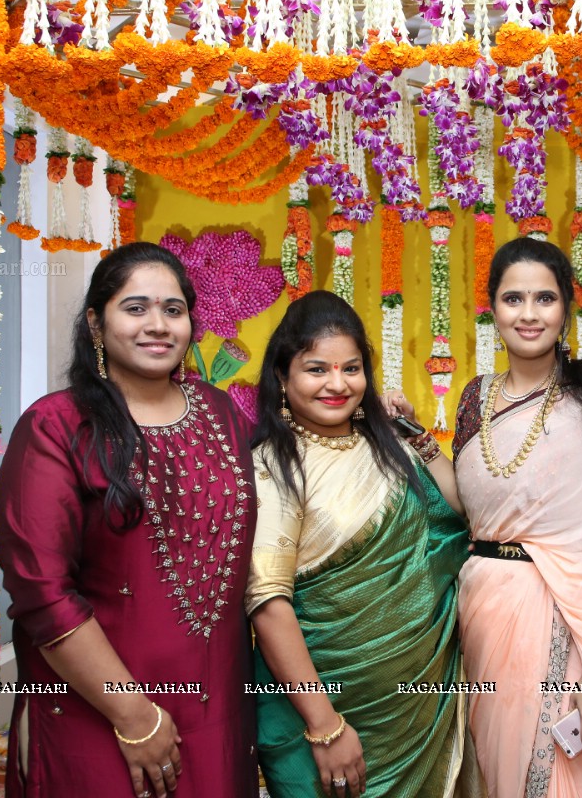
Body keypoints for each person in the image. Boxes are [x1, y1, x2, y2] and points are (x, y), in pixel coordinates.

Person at [0, 242, 258, 798]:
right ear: (97, 321)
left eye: (173, 309)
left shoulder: (223, 414)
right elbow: (42, 591)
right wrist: (134, 715)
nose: (157, 325)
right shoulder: (57, 426)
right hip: (100, 709)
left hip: (218, 701)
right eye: (135, 308)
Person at [392, 238, 582, 798]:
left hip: (560, 619)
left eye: (544, 298)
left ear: (565, 308)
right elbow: (469, 509)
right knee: (492, 769)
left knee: (563, 775)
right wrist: (418, 438)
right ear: (492, 308)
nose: (529, 314)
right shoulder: (475, 397)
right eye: (514, 299)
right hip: (483, 609)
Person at [245, 291, 469, 798]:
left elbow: (459, 515)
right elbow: (268, 604)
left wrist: (415, 435)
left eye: (351, 368)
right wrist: (325, 727)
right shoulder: (273, 466)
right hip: (324, 719)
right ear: (283, 376)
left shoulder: (387, 448)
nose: (337, 384)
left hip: (417, 713)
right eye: (317, 369)